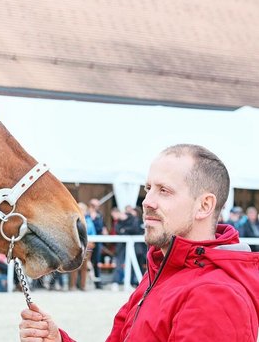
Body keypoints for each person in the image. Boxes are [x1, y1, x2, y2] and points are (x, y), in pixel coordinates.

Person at [19, 144, 259, 341]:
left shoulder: (215, 296)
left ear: (204, 205)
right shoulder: (161, 270)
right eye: (148, 188)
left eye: (164, 190)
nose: (147, 201)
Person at [68, 202, 95, 291]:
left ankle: (83, 286)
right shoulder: (73, 219)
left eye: (82, 209)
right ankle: (72, 286)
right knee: (74, 267)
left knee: (84, 267)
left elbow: (93, 233)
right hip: (74, 246)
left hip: (87, 246)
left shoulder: (89, 220)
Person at [87, 198, 106, 289]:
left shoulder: (99, 215)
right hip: (88, 241)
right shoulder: (86, 215)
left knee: (96, 262)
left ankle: (97, 282)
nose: (96, 207)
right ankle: (83, 282)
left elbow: (101, 228)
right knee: (85, 262)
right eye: (94, 205)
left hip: (97, 241)